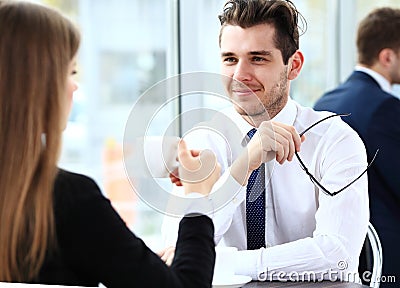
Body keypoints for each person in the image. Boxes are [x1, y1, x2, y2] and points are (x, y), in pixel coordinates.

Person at [0, 1, 221, 287]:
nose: (74, 86)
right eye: (70, 73)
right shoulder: (68, 200)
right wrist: (196, 196)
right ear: (37, 84)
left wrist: (130, 260)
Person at [161, 0, 370, 283]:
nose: (240, 75)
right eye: (230, 59)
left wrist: (223, 263)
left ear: (293, 65)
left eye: (258, 58)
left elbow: (338, 254)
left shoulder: (335, 139)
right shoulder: (202, 141)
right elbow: (175, 254)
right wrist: (244, 165)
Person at [314, 7, 400, 287]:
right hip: (387, 254)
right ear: (387, 56)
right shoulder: (385, 108)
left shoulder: (325, 102)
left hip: (340, 252)